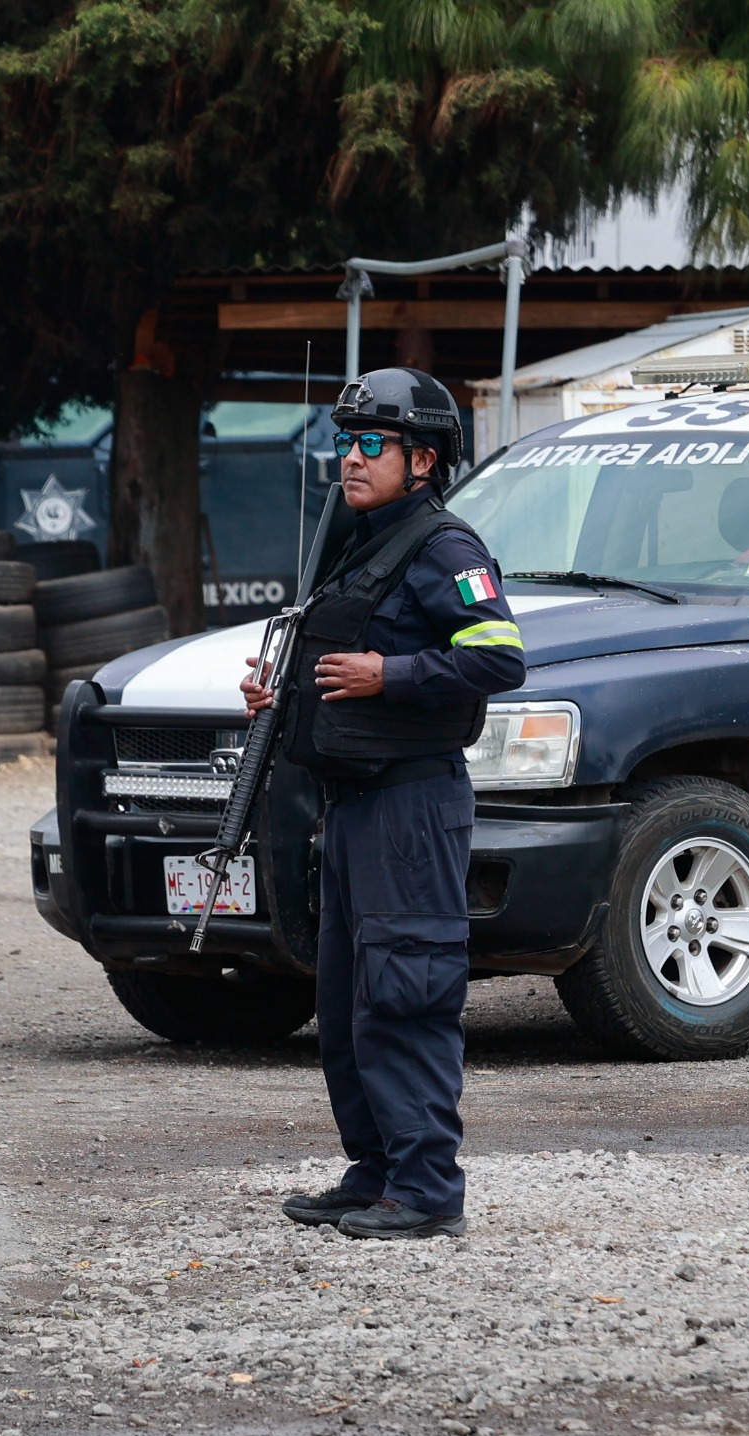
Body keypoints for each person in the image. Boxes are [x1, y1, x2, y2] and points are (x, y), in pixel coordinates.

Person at [239, 367, 525, 1240]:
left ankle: (428, 1188)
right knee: (347, 1003)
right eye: (345, 442)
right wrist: (277, 697)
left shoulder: (444, 549)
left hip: (411, 808)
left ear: (423, 460)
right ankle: (375, 1172)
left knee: (408, 994)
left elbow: (499, 657)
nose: (352, 459)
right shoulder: (359, 544)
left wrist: (389, 674)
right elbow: (335, 660)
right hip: (352, 807)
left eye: (373, 444)